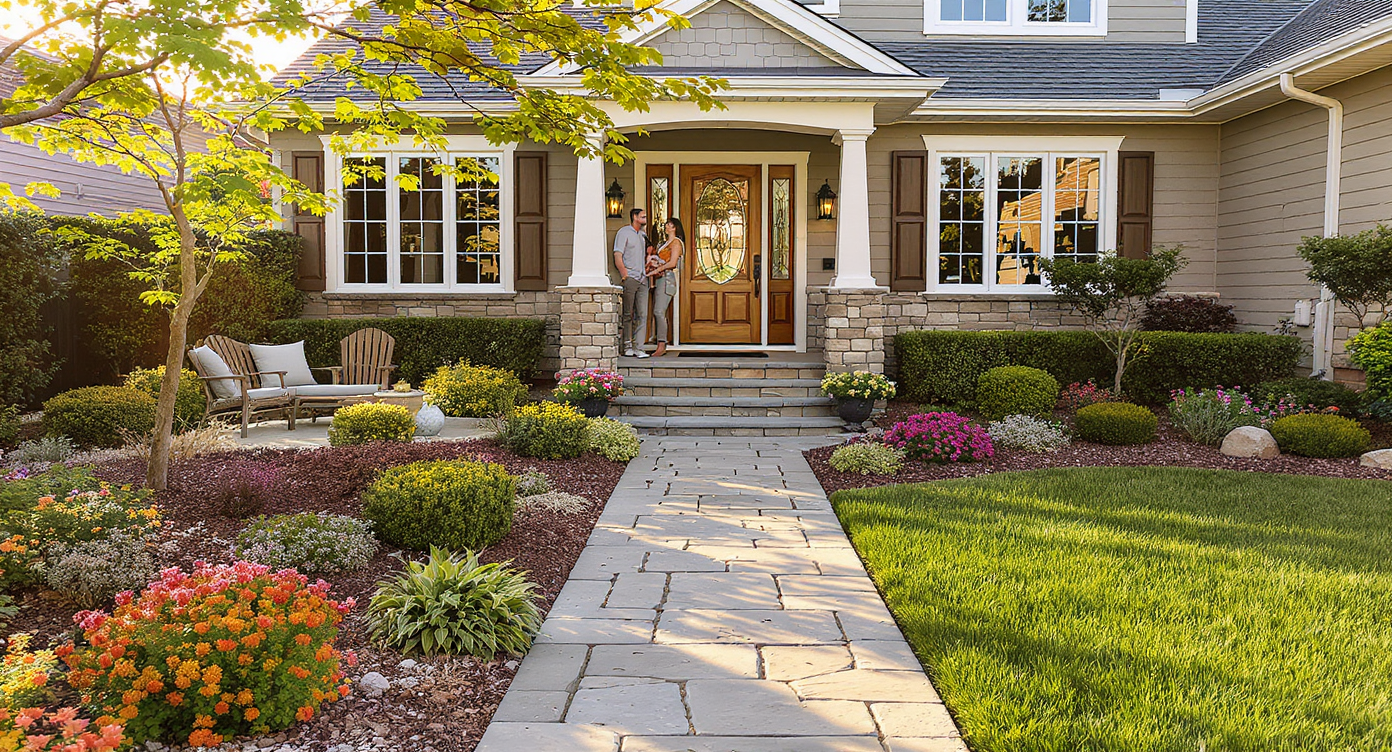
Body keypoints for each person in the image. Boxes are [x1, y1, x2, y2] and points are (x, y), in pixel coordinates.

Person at [613, 207, 650, 358]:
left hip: (642, 278)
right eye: (643, 216)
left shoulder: (642, 235)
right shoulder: (623, 233)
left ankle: (639, 347)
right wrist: (625, 275)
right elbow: (618, 254)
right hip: (630, 278)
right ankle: (627, 346)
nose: (645, 219)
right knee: (628, 314)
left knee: (642, 314)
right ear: (635, 217)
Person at [647, 217, 685, 358]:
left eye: (670, 225)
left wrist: (657, 269)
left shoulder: (676, 243)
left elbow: (673, 262)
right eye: (666, 225)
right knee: (658, 311)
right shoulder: (665, 243)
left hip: (667, 279)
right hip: (659, 279)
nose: (667, 227)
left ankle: (661, 344)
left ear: (675, 227)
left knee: (658, 311)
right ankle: (658, 339)